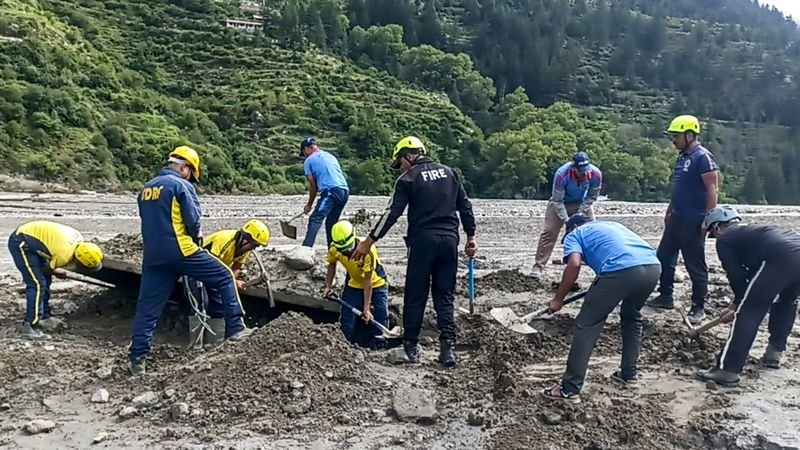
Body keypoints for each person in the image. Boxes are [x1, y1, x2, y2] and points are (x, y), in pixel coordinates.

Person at [351, 136, 477, 367]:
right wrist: (471, 236)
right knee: (444, 296)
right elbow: (465, 206)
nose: (400, 168)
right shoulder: (450, 173)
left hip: (422, 242)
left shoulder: (408, 178)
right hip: (450, 241)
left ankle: (410, 345)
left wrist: (369, 241)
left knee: (415, 294)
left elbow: (391, 214)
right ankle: (447, 349)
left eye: (400, 163)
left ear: (409, 155)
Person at [129, 145, 252, 376]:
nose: (191, 179)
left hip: (153, 256)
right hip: (181, 249)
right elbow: (193, 222)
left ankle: (137, 359)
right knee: (224, 276)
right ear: (185, 168)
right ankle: (236, 329)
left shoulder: (146, 189)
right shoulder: (181, 186)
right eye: (191, 174)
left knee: (147, 308)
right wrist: (195, 237)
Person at [541, 214, 661, 403]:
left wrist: (558, 299)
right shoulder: (612, 225)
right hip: (652, 268)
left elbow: (574, 264)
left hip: (620, 270)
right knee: (631, 317)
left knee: (587, 324)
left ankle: (568, 389)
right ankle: (628, 375)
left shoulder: (575, 234)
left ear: (571, 229)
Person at [696, 206, 800, 387]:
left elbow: (735, 275)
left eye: (713, 233)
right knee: (787, 302)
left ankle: (727, 369)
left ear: (718, 227)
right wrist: (738, 300)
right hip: (794, 251)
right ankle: (774, 353)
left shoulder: (725, 239)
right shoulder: (751, 234)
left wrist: (740, 303)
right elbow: (755, 274)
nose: (715, 238)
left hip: (779, 256)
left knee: (749, 312)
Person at [646, 115, 719, 324]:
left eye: (676, 135)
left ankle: (698, 307)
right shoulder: (682, 156)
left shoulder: (702, 157)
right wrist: (670, 209)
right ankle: (666, 295)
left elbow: (712, 188)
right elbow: (680, 187)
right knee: (664, 256)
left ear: (689, 135)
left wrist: (709, 218)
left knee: (694, 264)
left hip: (694, 220)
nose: (673, 139)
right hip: (677, 217)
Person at [8, 221, 103, 339]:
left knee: (45, 279)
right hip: (21, 242)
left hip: (34, 238)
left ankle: (44, 316)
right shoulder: (63, 256)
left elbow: (48, 267)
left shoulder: (79, 238)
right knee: (37, 283)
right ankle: (30, 325)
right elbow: (49, 268)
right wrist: (55, 270)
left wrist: (53, 270)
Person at [186, 219, 271, 347]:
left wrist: (232, 281)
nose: (254, 248)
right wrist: (232, 281)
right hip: (196, 270)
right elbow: (210, 266)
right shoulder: (224, 240)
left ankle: (214, 345)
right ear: (245, 238)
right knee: (201, 304)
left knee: (219, 307)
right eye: (254, 244)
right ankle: (195, 347)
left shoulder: (244, 250)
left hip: (216, 276)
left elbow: (236, 268)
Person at [531, 151, 602, 279]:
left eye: (586, 169)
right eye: (580, 170)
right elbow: (557, 200)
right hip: (559, 203)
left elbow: (592, 196)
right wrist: (567, 220)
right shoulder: (562, 174)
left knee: (593, 231)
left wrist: (581, 212)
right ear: (573, 167)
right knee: (549, 232)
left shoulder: (595, 174)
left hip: (582, 202)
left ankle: (599, 267)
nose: (584, 173)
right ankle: (538, 266)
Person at [323, 220, 390, 349]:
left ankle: (381, 344)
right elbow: (331, 264)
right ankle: (345, 345)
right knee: (347, 317)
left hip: (376, 283)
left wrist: (366, 308)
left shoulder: (368, 252)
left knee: (381, 313)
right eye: (343, 250)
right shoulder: (334, 248)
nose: (347, 253)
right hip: (353, 283)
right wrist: (328, 286)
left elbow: (368, 281)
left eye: (349, 249)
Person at [299, 138, 350, 249]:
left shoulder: (309, 160)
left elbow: (313, 186)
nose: (305, 156)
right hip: (344, 191)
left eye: (304, 153)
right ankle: (333, 253)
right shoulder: (330, 156)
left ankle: (305, 250)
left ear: (306, 149)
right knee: (331, 223)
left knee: (315, 218)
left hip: (331, 191)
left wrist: (309, 205)